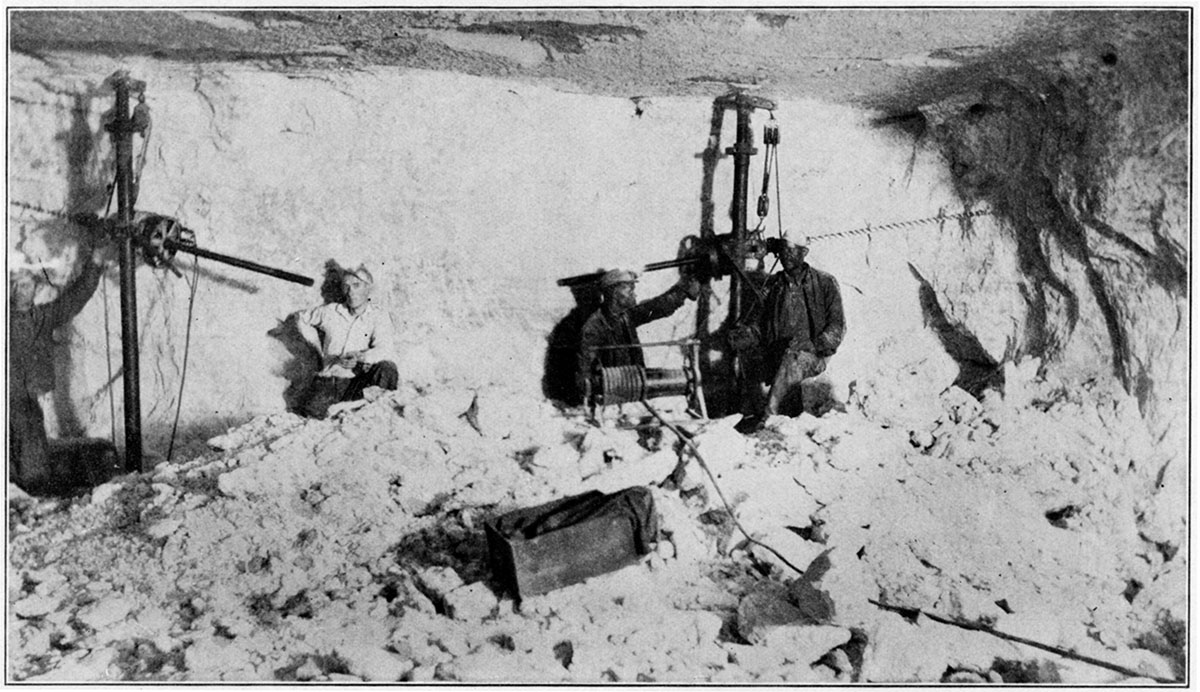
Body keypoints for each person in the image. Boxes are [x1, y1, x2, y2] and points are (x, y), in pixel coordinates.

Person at [9, 235, 109, 493]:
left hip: (27, 399)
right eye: (16, 286)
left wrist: (96, 261)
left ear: (36, 290)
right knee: (29, 461)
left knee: (31, 453)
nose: (21, 291)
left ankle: (31, 492)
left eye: (27, 286)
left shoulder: (42, 318)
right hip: (13, 400)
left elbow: (74, 299)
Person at [729, 238, 845, 420]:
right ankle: (744, 417)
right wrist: (747, 335)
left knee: (793, 359)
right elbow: (760, 326)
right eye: (783, 250)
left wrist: (813, 345)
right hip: (776, 354)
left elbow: (837, 327)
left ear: (804, 252)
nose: (786, 255)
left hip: (811, 355)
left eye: (792, 251)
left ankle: (769, 420)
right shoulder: (773, 285)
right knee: (744, 358)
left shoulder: (824, 283)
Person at [576, 269, 701, 401]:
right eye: (630, 290)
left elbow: (657, 307)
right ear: (614, 293)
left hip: (635, 393)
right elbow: (584, 377)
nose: (634, 294)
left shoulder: (625, 316)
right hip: (613, 399)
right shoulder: (594, 328)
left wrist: (683, 291)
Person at [294, 264, 398, 417]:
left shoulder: (378, 316)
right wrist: (317, 351)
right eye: (346, 286)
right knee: (312, 413)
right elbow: (301, 318)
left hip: (356, 382)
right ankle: (348, 407)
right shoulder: (330, 311)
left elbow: (384, 348)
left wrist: (360, 357)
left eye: (357, 286)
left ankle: (355, 405)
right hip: (330, 381)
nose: (351, 292)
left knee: (387, 368)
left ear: (368, 288)